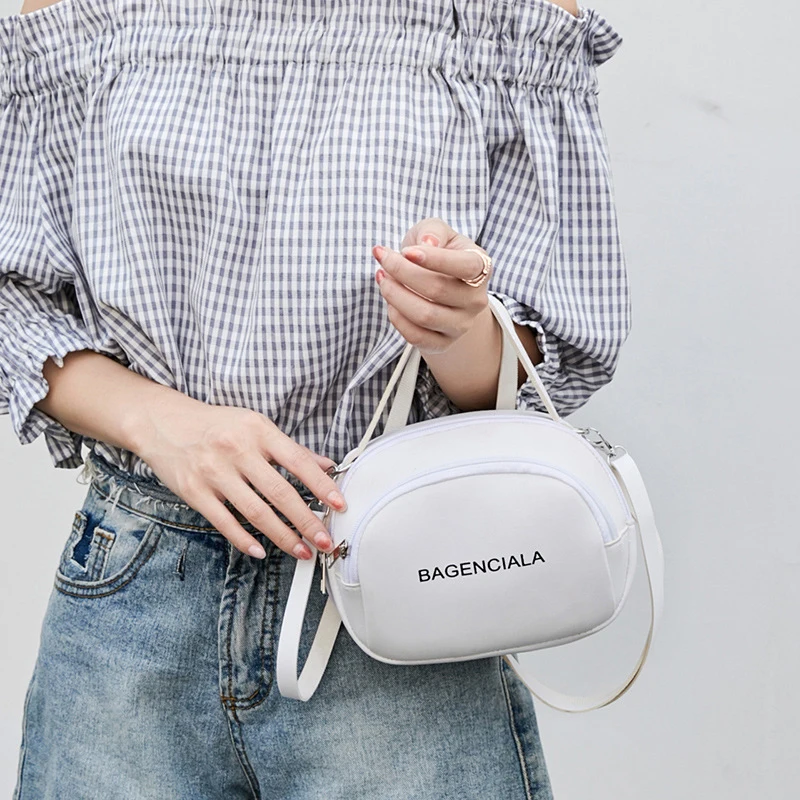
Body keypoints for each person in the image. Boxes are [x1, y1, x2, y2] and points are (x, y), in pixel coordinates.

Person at [1, 0, 629, 797]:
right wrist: (161, 424)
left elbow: (543, 359)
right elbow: (15, 299)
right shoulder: (81, 15)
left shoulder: (501, 23)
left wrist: (458, 329)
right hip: (138, 598)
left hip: (405, 583)